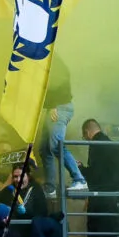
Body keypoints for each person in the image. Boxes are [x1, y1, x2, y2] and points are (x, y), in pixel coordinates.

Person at [40, 55, 86, 197]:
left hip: (59, 107)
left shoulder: (53, 61)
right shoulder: (47, 59)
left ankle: (79, 179)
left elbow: (58, 82)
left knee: (56, 145)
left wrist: (53, 104)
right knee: (44, 149)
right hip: (55, 107)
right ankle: (51, 187)